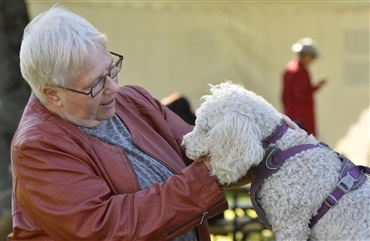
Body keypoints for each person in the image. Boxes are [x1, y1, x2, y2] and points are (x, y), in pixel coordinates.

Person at [9, 6, 300, 241]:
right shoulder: (37, 148)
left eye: (111, 69)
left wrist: (270, 143)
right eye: (95, 84)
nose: (113, 87)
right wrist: (211, 173)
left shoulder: (135, 101)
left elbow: (201, 152)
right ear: (52, 94)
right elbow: (109, 227)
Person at [282, 38, 327, 136]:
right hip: (301, 116)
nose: (313, 60)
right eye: (312, 56)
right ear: (306, 55)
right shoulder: (299, 71)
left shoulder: (291, 67)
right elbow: (301, 95)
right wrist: (317, 86)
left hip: (292, 113)